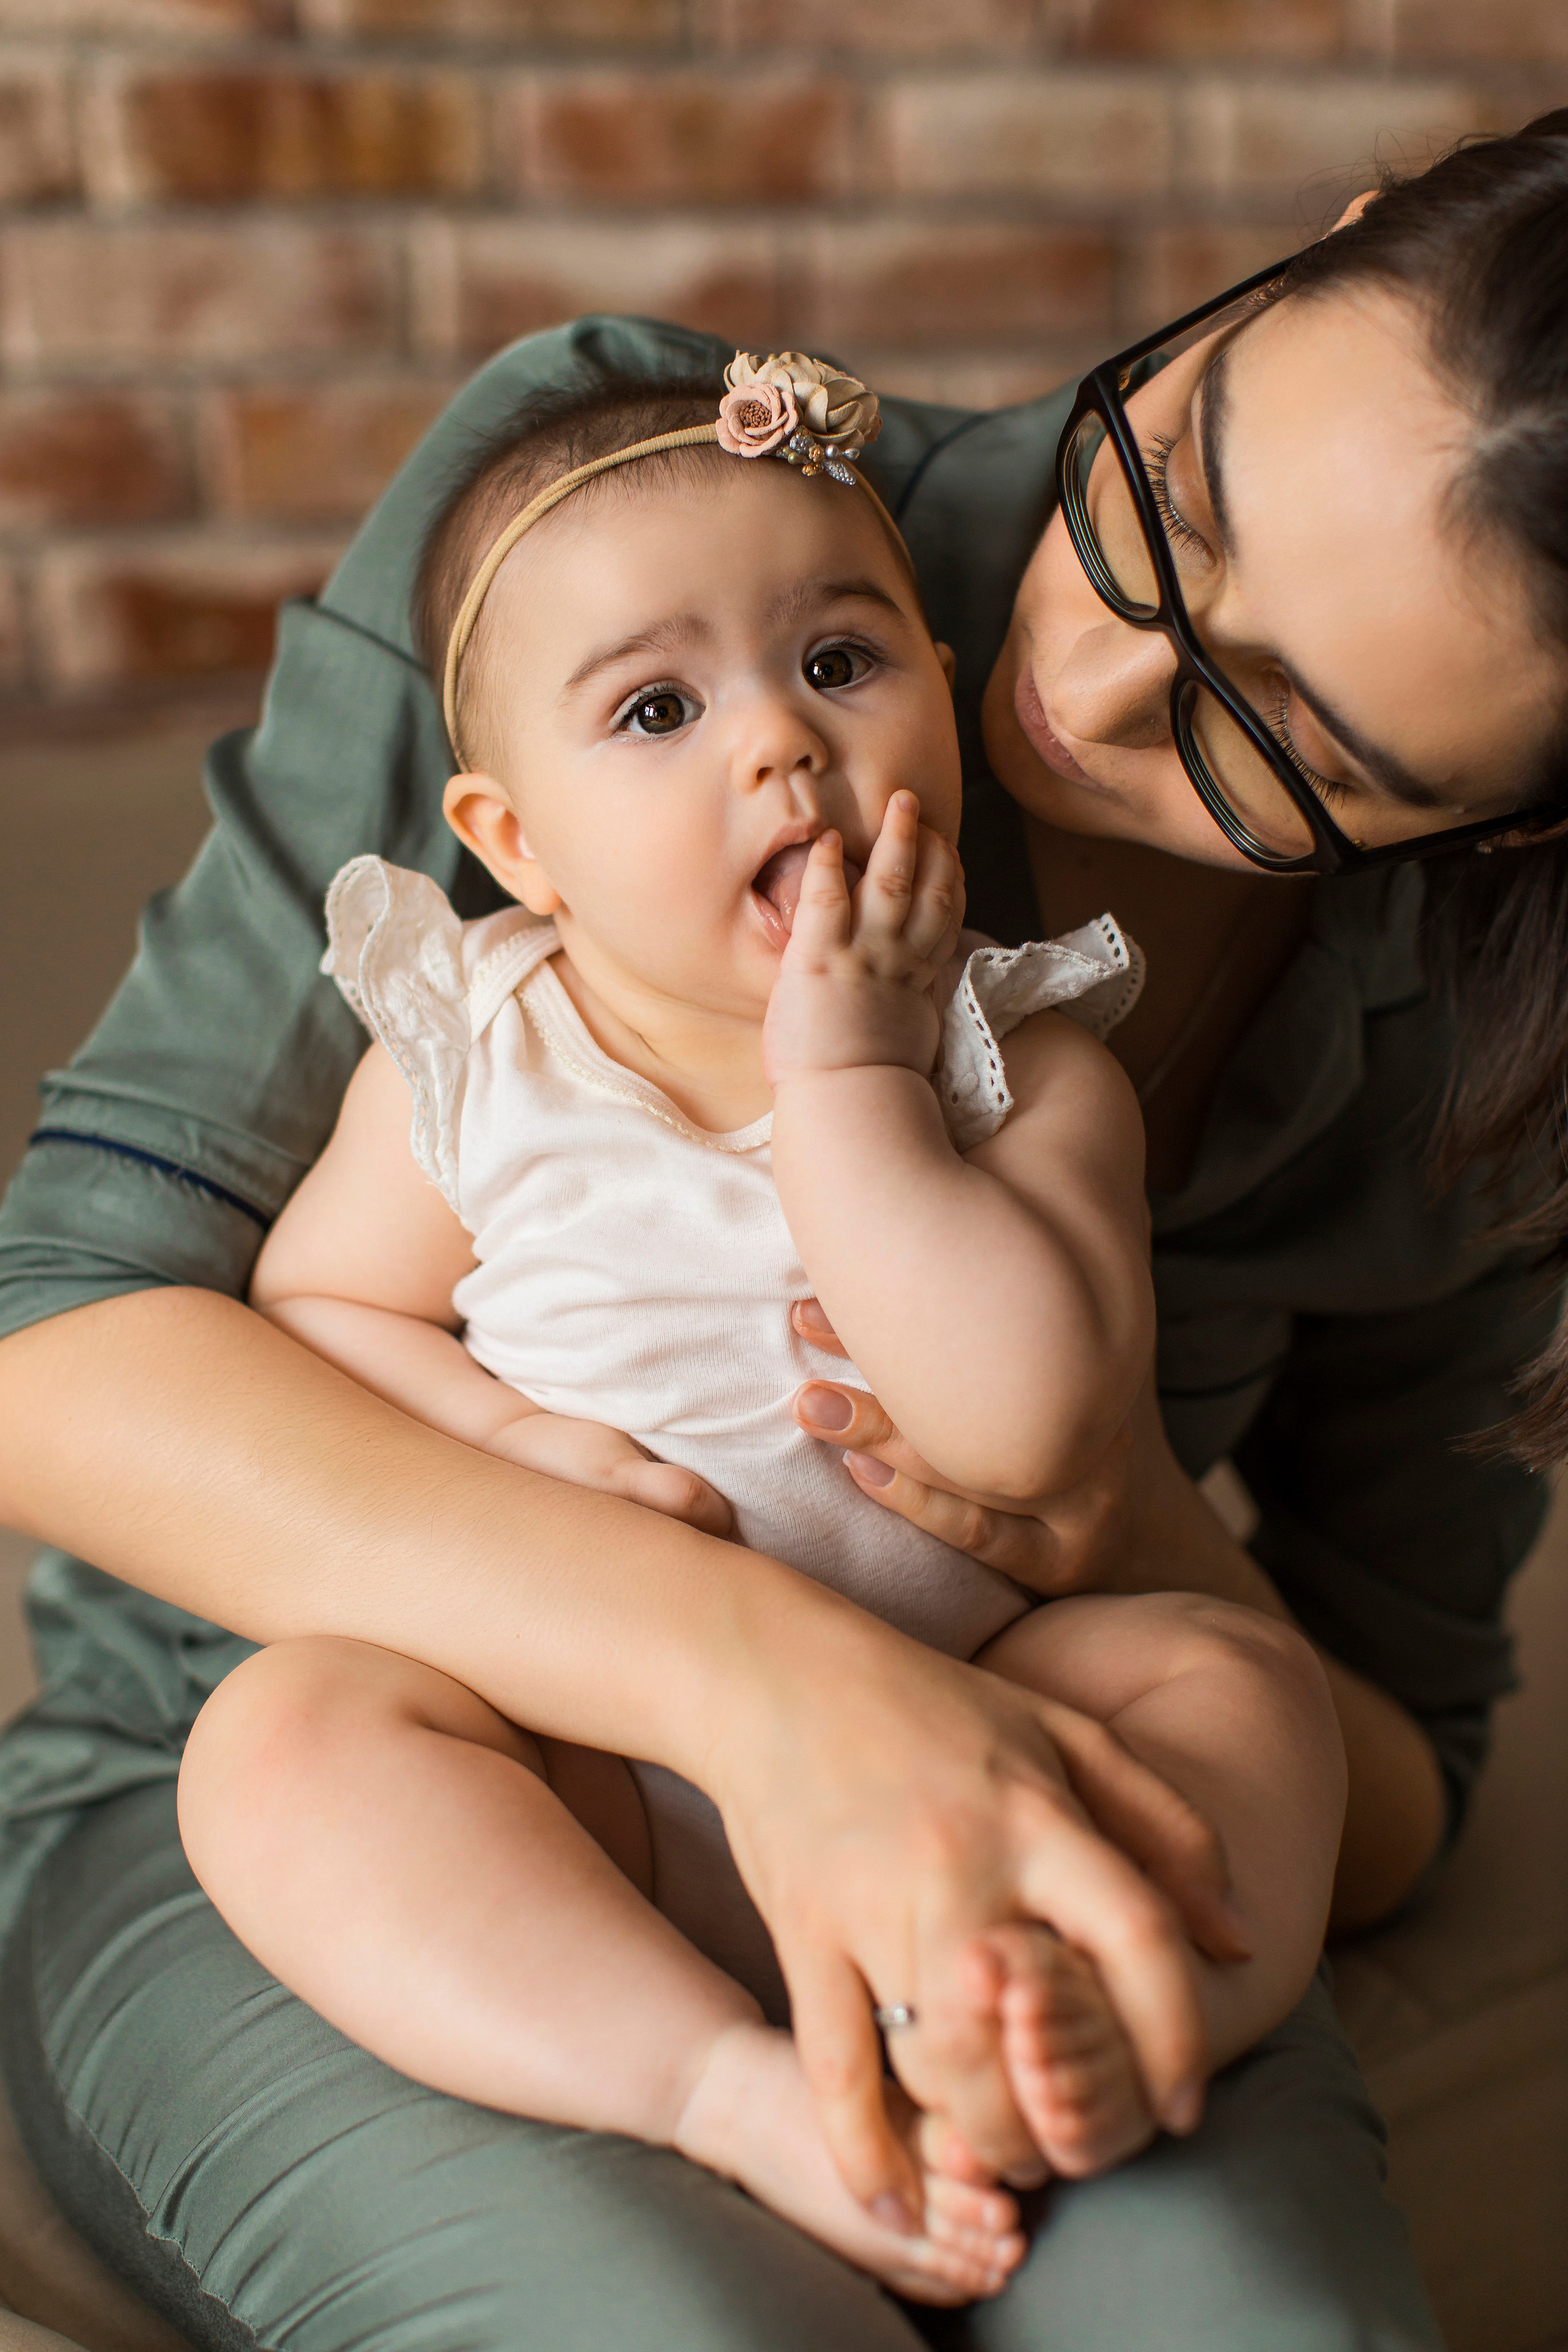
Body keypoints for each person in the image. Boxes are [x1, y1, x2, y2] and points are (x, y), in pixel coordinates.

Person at [2, 109, 1567, 2352]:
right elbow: (73, 1335)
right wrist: (773, 1696)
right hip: (440, 1768)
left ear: (1514, 826)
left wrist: (1109, 1519)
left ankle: (1018, 2065)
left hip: (1011, 1788)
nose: (1092, 684)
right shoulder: (637, 525)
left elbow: (1388, 1771)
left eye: (1293, 734)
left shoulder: (1281, 1063)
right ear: (1311, 252)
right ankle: (737, 2083)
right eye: (1176, 499)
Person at [171, 363, 1344, 2308]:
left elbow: (1035, 1424)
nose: (784, 750)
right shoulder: (481, 1046)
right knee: (281, 1744)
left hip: (979, 1722)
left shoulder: (1016, 1062)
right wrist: (497, 1436)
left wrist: (847, 1077)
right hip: (595, 1769)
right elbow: (314, 1311)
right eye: (659, 709)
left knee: (1235, 1685)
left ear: (945, 703)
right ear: (519, 841)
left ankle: (1045, 2037)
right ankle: (722, 2089)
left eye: (838, 660)